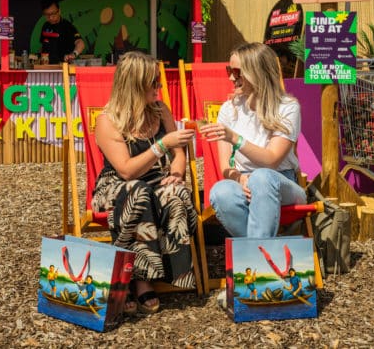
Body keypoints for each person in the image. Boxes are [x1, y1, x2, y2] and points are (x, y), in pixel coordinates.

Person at [92, 51, 197, 314]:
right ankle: (137, 279)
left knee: (176, 194)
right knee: (138, 192)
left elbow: (179, 153)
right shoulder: (108, 121)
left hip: (156, 180)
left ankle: (172, 274)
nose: (159, 87)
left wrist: (177, 174)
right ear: (134, 85)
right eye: (154, 82)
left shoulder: (161, 111)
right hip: (118, 186)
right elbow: (127, 171)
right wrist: (162, 145)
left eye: (159, 80)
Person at [201, 42, 307, 239]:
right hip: (243, 181)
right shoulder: (228, 110)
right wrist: (239, 179)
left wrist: (235, 138)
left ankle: (255, 259)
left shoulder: (287, 107)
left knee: (262, 178)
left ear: (256, 72)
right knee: (220, 191)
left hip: (280, 181)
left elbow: (272, 160)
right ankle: (260, 255)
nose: (231, 77)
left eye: (237, 72)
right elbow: (225, 167)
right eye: (229, 70)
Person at [39, 0, 85, 64]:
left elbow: (80, 43)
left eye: (53, 14)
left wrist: (73, 54)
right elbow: (43, 45)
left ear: (59, 11)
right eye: (47, 15)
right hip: (48, 66)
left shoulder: (67, 26)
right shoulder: (45, 26)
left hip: (63, 66)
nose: (50, 17)